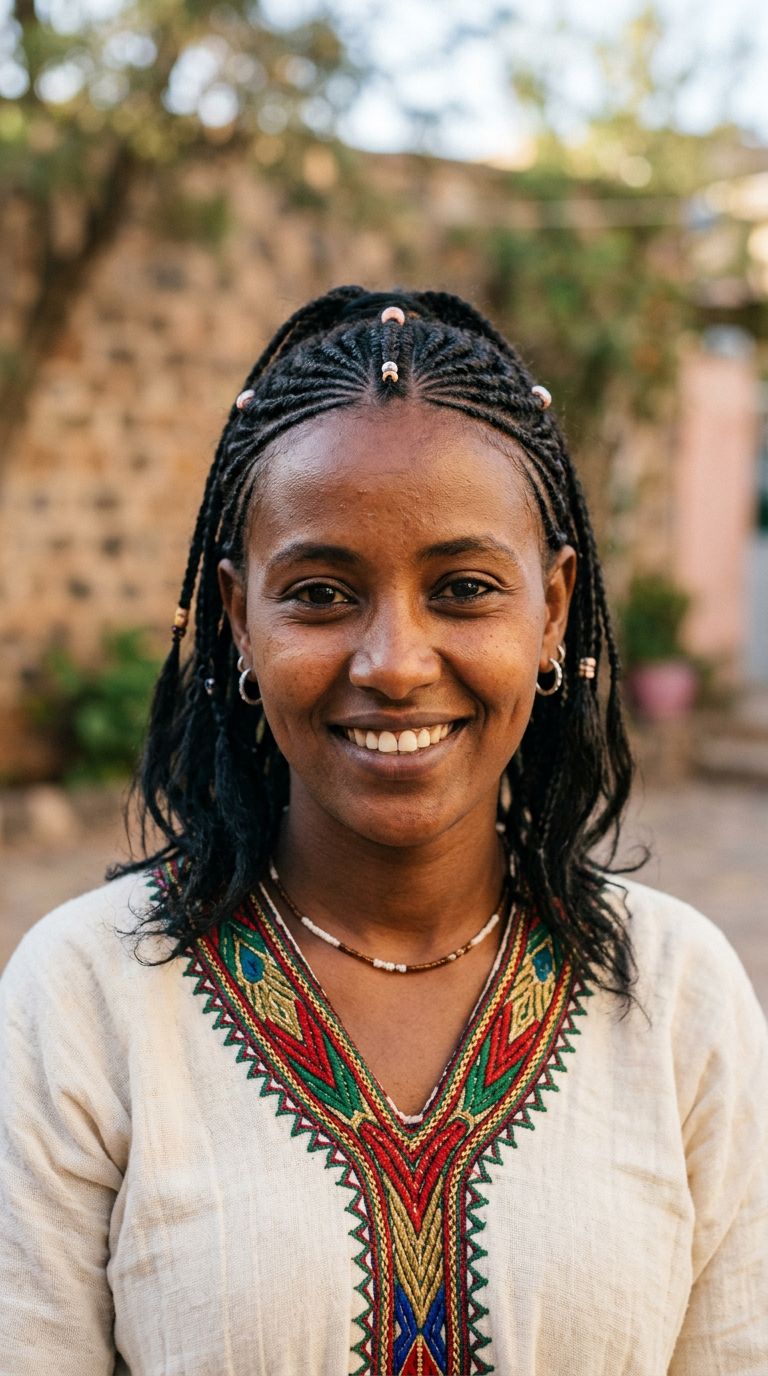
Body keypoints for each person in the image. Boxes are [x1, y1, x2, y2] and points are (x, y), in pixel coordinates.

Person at [1, 286, 766, 1376]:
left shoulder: (678, 996)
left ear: (551, 609)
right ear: (238, 619)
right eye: (319, 592)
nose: (395, 662)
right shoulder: (88, 996)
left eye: (463, 587)